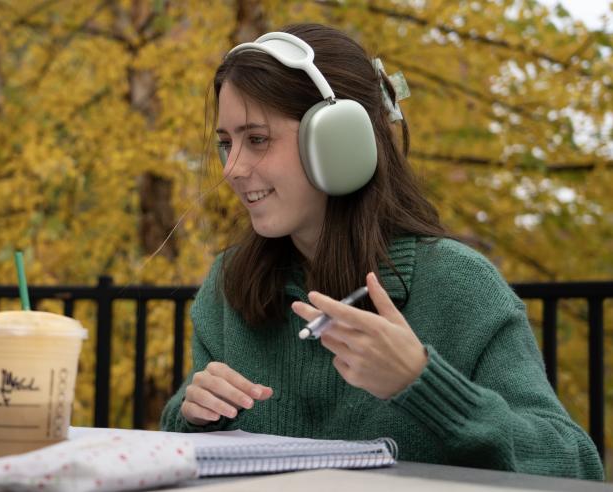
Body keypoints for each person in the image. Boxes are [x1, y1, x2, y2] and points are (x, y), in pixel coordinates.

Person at [159, 23, 603, 480]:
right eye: (225, 144)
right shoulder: (230, 283)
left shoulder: (459, 286)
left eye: (256, 139)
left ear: (338, 142)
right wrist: (193, 415)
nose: (231, 169)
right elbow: (181, 452)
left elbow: (575, 467)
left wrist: (422, 383)